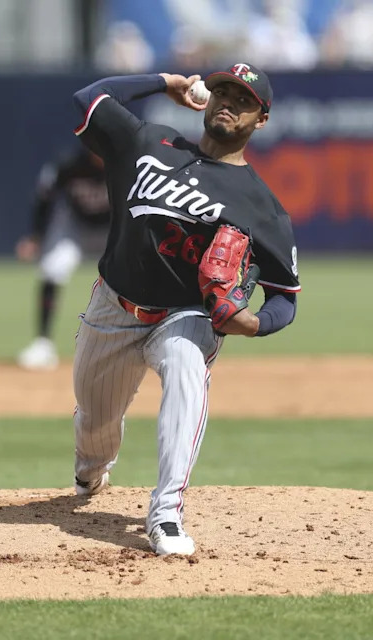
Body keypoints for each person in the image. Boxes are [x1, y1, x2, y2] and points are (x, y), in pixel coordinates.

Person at [70, 64, 300, 556]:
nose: (228, 102)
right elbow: (90, 96)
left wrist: (255, 323)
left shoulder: (263, 207)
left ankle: (167, 510)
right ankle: (92, 474)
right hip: (113, 306)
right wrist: (164, 82)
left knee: (185, 366)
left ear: (261, 119)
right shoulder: (150, 141)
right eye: (223, 91)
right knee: (95, 423)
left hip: (185, 314)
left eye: (244, 100)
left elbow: (285, 296)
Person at [15, 147, 110, 370]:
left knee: (132, 275)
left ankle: (139, 343)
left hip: (112, 228)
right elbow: (44, 197)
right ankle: (42, 344)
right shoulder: (69, 166)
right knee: (52, 269)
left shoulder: (125, 162)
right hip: (76, 227)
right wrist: (35, 236)